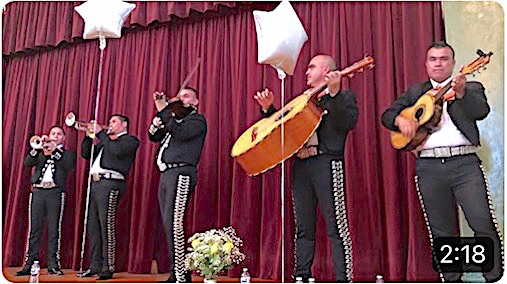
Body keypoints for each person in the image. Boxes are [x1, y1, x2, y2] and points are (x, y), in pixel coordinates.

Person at [381, 41, 503, 282]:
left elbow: (481, 112)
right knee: (442, 230)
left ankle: (494, 277)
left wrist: (460, 93)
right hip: (429, 166)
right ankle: (452, 279)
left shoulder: (471, 86)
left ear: (453, 63)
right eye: (433, 59)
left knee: (482, 222)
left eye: (444, 59)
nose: (438, 63)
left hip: (464, 164)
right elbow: (387, 116)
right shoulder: (416, 92)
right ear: (426, 64)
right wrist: (399, 120)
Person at [254, 55, 358, 282]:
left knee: (336, 224)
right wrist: (269, 110)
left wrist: (335, 93)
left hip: (327, 162)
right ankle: (300, 276)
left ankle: (344, 278)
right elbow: (285, 130)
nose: (306, 72)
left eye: (312, 67)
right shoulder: (303, 100)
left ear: (326, 70)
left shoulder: (342, 97)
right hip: (301, 165)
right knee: (303, 225)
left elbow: (347, 122)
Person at [149, 87, 207, 283]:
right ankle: (177, 273)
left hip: (181, 172)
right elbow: (154, 137)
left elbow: (180, 133)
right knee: (168, 222)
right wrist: (158, 120)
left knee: (175, 223)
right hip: (166, 174)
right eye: (179, 96)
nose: (181, 99)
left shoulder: (196, 120)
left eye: (186, 96)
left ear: (196, 102)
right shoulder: (174, 120)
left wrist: (163, 111)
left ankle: (181, 274)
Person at [77, 114, 139, 280]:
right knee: (93, 226)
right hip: (96, 184)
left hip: (111, 183)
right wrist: (88, 136)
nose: (109, 124)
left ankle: (108, 266)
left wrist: (100, 134)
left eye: (113, 121)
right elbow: (86, 154)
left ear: (124, 125)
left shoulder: (130, 140)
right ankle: (94, 265)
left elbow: (117, 152)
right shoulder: (105, 143)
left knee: (106, 225)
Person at [16, 126, 76, 276]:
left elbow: (67, 165)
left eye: (58, 134)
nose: (55, 136)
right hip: (38, 191)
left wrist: (54, 149)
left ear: (63, 138)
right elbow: (27, 162)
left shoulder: (67, 154)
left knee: (53, 229)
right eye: (53, 133)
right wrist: (37, 147)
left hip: (55, 192)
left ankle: (53, 264)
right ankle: (29, 264)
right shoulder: (41, 152)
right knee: (34, 229)